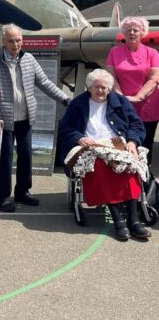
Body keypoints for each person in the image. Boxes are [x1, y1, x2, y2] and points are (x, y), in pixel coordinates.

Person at [0, 24, 70, 212]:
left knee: (26, 157)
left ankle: (22, 192)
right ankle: (2, 198)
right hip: (4, 119)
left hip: (25, 117)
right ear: (3, 42)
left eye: (19, 40)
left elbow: (44, 82)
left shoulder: (28, 59)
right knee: (4, 160)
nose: (16, 44)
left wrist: (65, 99)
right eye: (11, 41)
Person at [59, 69, 150, 241]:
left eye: (104, 87)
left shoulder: (121, 102)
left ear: (109, 88)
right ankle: (118, 220)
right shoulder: (78, 103)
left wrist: (132, 141)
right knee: (100, 167)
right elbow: (65, 127)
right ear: (89, 87)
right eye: (96, 87)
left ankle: (133, 220)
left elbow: (137, 125)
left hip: (117, 143)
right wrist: (79, 138)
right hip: (91, 146)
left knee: (130, 165)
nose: (100, 90)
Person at [105, 16, 159, 166]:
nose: (132, 33)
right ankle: (125, 177)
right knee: (121, 143)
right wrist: (122, 98)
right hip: (121, 105)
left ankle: (145, 176)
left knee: (145, 146)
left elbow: (154, 78)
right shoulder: (114, 52)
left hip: (147, 106)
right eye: (128, 30)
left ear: (142, 33)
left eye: (136, 30)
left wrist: (138, 97)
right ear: (124, 33)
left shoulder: (152, 53)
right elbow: (110, 77)